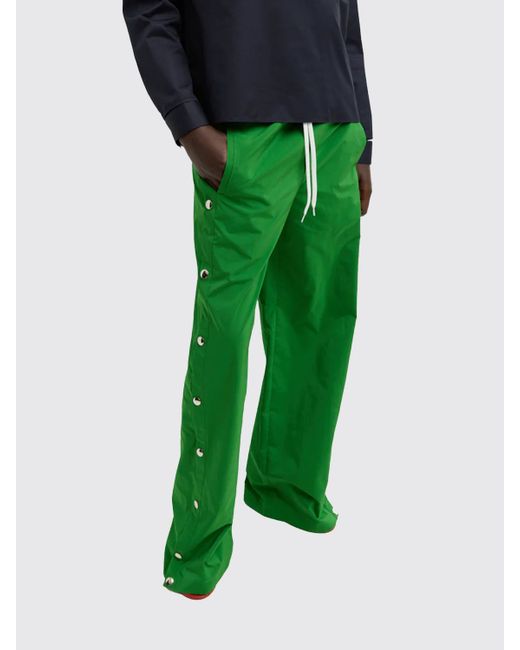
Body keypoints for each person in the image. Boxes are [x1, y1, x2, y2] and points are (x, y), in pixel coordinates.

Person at [123, 0, 373, 600]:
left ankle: (287, 487)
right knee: (224, 338)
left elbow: (347, 22)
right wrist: (191, 128)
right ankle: (197, 547)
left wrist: (363, 137)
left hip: (331, 133)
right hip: (241, 137)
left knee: (321, 323)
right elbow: (150, 12)